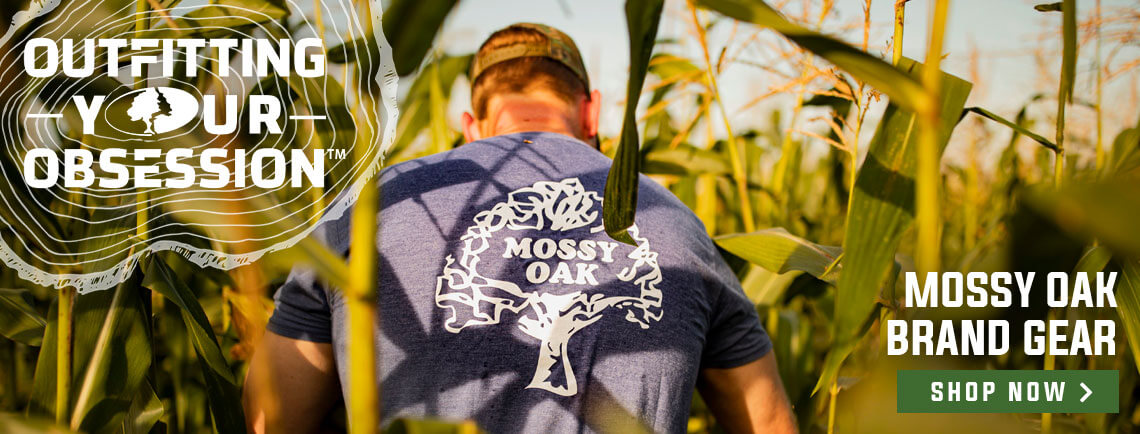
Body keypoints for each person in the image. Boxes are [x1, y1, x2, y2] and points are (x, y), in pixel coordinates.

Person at [243, 23, 797, 434]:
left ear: (471, 125)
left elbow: (272, 417)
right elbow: (767, 421)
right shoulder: (676, 226)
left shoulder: (369, 212)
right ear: (592, 112)